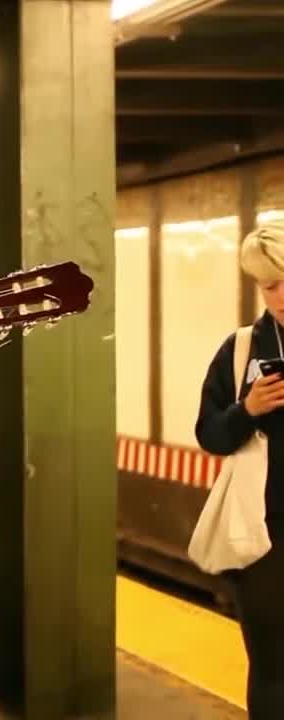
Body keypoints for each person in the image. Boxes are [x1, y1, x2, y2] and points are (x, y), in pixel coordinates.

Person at [195, 221, 284, 718]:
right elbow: (210, 435)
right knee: (273, 666)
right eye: (269, 285)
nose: (280, 295)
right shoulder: (243, 349)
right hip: (266, 535)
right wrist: (246, 409)